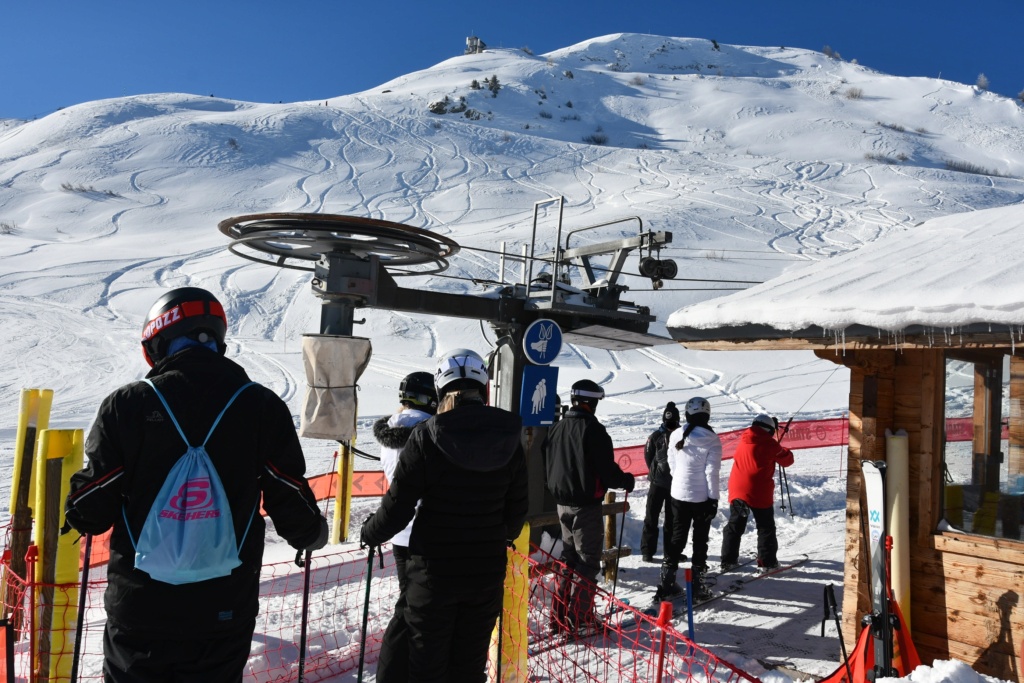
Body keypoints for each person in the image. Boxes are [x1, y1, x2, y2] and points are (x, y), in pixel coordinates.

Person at [64, 287, 328, 683]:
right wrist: (312, 533)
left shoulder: (129, 404)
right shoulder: (260, 405)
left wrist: (74, 505)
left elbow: (92, 509)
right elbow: (287, 492)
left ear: (157, 341)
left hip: (142, 608)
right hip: (223, 607)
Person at [360, 348, 528, 683]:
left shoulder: (426, 435)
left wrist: (370, 533)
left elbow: (398, 507)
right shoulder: (509, 439)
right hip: (484, 575)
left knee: (428, 666)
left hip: (434, 574)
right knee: (467, 667)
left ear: (441, 393)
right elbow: (516, 513)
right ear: (483, 390)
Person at [543, 378, 635, 632]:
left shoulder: (557, 427)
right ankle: (580, 618)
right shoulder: (593, 430)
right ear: (592, 403)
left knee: (569, 558)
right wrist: (625, 480)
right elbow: (606, 470)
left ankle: (559, 615)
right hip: (585, 505)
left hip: (562, 504)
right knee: (589, 561)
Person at [371, 371, 437, 683]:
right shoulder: (430, 432)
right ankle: (407, 669)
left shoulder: (390, 433)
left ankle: (398, 669)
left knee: (408, 603)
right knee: (421, 612)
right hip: (427, 533)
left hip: (400, 533)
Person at [658, 396, 722, 602]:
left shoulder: (676, 434)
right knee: (700, 540)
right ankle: (697, 586)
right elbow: (712, 473)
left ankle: (666, 584)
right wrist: (713, 499)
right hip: (701, 497)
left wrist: (680, 481)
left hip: (678, 494)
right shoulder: (712, 439)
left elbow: (671, 462)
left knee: (677, 537)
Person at [720, 414, 794, 573]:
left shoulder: (744, 439)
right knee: (765, 527)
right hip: (758, 491)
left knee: (735, 525)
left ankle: (728, 560)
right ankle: (768, 562)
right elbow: (787, 460)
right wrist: (783, 448)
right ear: (768, 429)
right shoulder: (770, 444)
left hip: (738, 489)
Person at [641, 401, 680, 563]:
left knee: (668, 520)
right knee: (653, 518)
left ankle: (666, 553)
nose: (670, 424)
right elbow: (648, 457)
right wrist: (654, 472)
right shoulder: (657, 436)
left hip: (671, 484)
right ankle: (649, 552)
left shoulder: (680, 436)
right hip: (660, 483)